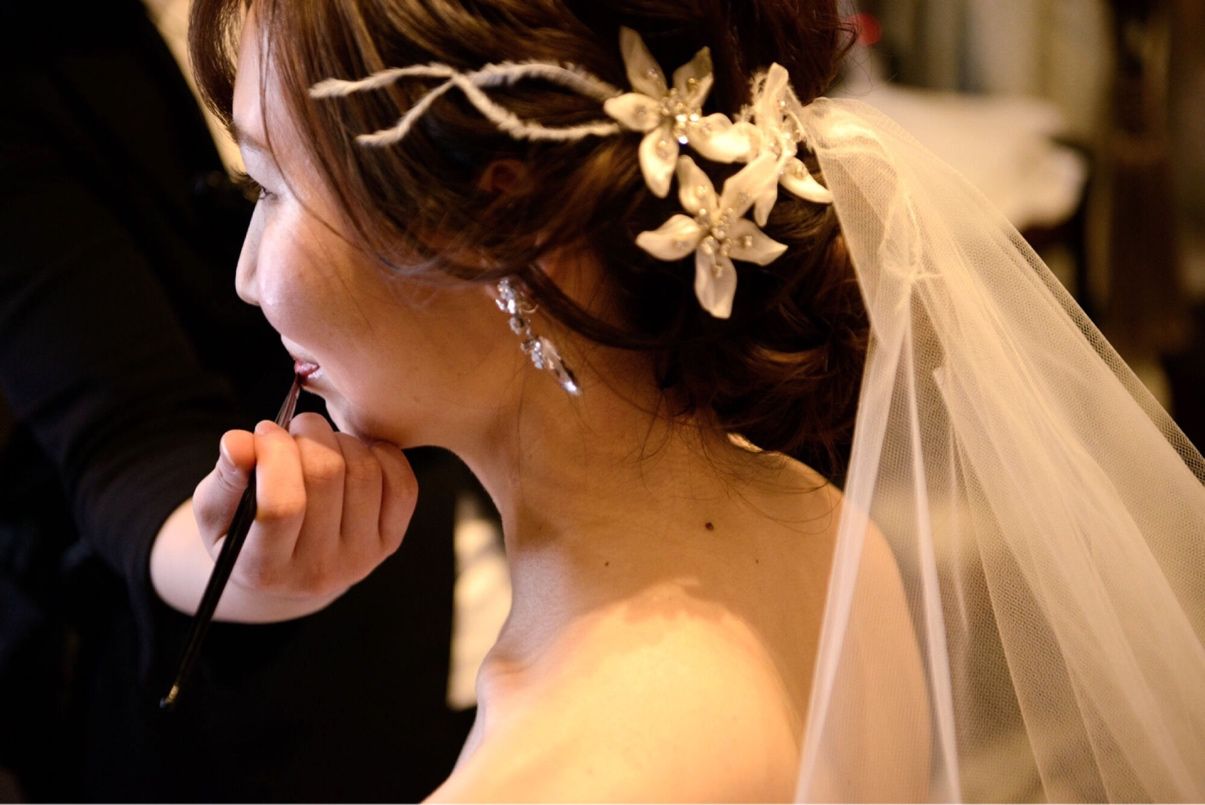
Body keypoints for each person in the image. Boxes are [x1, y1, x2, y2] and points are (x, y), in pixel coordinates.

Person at [187, 0, 1205, 800]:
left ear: (500, 222)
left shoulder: (572, 778)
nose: (245, 275)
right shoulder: (818, 522)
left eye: (270, 189)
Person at [0, 2, 474, 799]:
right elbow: (127, 437)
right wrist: (243, 564)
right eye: (254, 185)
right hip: (284, 704)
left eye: (274, 188)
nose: (245, 279)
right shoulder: (34, 71)